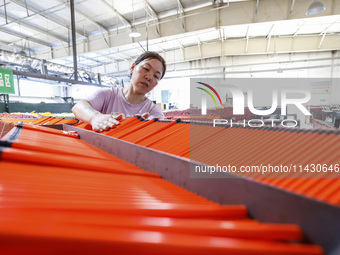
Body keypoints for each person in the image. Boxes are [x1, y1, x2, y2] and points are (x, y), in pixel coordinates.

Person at [72, 51, 166, 132]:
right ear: (132, 68)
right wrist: (95, 117)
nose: (149, 77)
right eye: (145, 68)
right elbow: (78, 107)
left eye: (156, 76)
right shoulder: (107, 95)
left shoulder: (153, 111)